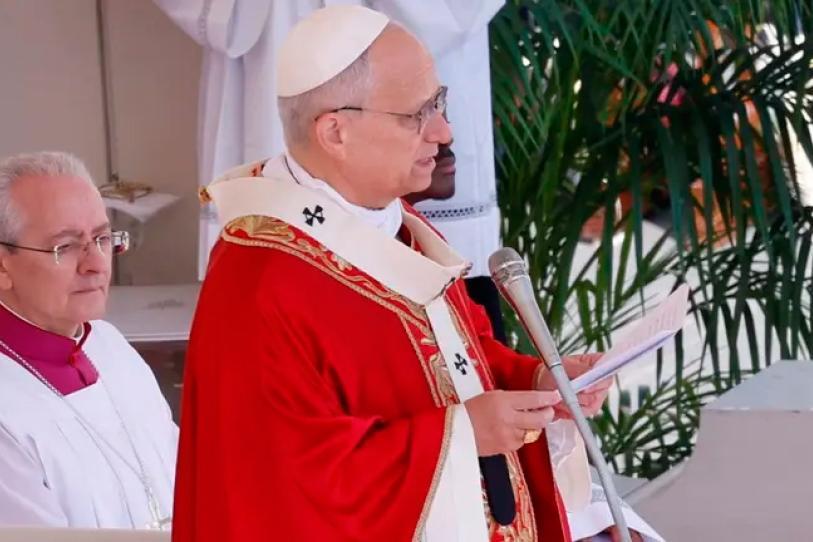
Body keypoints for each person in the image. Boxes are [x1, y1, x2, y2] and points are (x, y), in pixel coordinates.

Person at [172, 6, 612, 541]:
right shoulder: (262, 278)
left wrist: (539, 382)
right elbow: (285, 489)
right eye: (417, 114)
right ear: (335, 132)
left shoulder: (394, 223)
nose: (444, 132)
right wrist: (463, 435)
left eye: (439, 103)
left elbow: (457, 356)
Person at [154, 0, 506, 285]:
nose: (444, 134)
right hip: (272, 32)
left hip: (413, 46)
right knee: (277, 276)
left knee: (438, 284)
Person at [0, 151, 178, 529]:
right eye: (65, 246)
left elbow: (183, 471)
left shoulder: (110, 346)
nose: (96, 264)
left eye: (102, 238)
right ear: (3, 266)